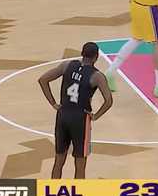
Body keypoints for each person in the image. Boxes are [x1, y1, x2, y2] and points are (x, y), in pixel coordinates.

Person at [38, 42, 113, 179]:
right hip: (80, 119)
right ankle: (78, 192)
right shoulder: (97, 76)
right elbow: (108, 101)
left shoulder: (67, 65)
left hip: (63, 115)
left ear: (82, 53)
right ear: (96, 57)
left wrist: (53, 103)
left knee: (58, 161)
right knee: (80, 165)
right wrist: (95, 116)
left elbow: (43, 80)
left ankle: (53, 190)